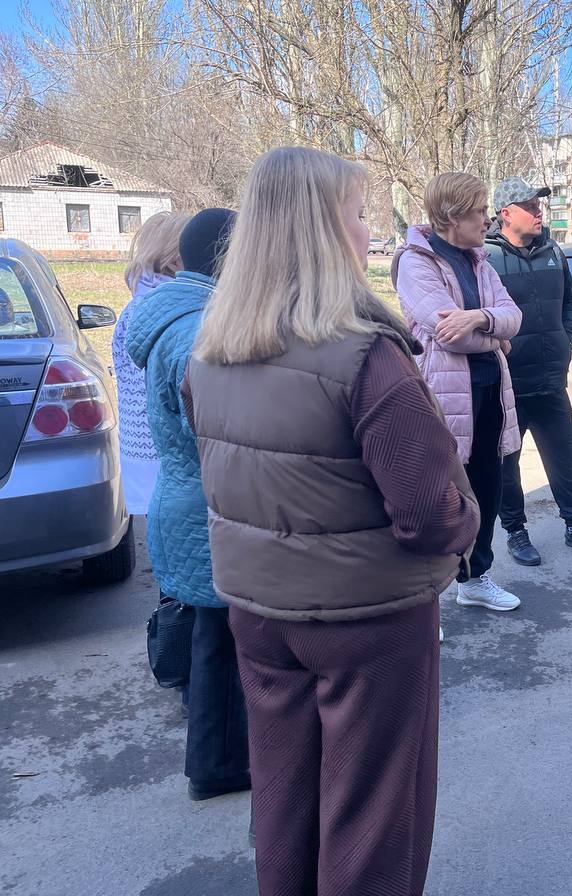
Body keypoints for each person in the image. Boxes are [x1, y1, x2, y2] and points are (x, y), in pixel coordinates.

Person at [186, 147, 479, 895]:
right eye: (356, 215)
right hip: (367, 623)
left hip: (258, 612)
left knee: (284, 797)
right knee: (376, 815)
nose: (367, 234)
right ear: (323, 230)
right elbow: (428, 514)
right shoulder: (365, 356)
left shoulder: (211, 351)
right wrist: (470, 516)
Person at [125, 207, 250, 798]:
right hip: (208, 500)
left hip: (183, 493)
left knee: (211, 635)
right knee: (222, 642)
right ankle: (217, 765)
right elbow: (224, 430)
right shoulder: (205, 330)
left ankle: (216, 755)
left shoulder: (172, 315)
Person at [393, 172, 524, 612]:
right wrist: (495, 334)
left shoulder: (479, 260)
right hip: (444, 398)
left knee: (487, 488)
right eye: (480, 211)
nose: (487, 220)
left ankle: (475, 578)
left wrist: (479, 319)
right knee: (437, 496)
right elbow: (447, 334)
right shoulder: (415, 262)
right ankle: (425, 598)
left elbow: (513, 316)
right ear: (452, 216)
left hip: (489, 394)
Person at [485, 176, 572, 566]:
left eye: (539, 205)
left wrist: (566, 339)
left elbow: (571, 302)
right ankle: (516, 532)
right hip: (508, 386)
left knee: (565, 458)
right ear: (507, 214)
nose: (540, 212)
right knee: (507, 465)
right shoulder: (485, 258)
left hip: (551, 381)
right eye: (530, 206)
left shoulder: (553, 252)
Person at [112, 211, 190, 516]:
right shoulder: (161, 308)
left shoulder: (136, 304)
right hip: (162, 451)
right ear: (173, 261)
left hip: (140, 447)